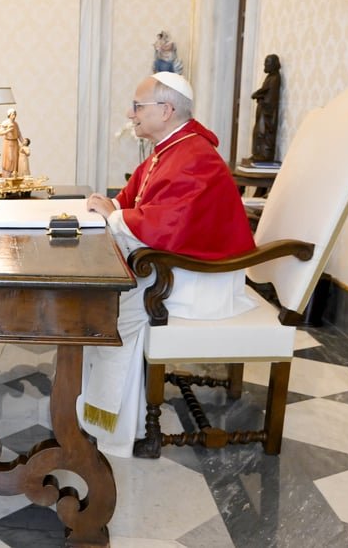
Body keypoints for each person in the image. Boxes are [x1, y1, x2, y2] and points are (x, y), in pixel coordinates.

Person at [80, 72, 257, 457]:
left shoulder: (193, 157)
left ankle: (112, 429)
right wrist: (111, 209)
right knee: (99, 298)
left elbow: (165, 226)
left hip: (199, 281)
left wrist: (114, 214)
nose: (131, 113)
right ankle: (95, 413)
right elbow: (134, 202)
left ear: (166, 109)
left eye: (138, 106)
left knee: (111, 310)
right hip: (179, 266)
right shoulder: (169, 148)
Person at [245, 54, 281, 164]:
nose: (265, 65)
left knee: (263, 134)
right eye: (265, 62)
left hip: (267, 113)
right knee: (258, 133)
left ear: (274, 64)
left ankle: (264, 155)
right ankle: (257, 154)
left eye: (268, 63)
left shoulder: (275, 78)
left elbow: (269, 95)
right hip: (263, 111)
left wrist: (258, 95)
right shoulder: (269, 77)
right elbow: (264, 90)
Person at [0, 108, 24, 177]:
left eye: (15, 114)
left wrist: (23, 142)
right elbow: (0, 133)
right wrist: (8, 130)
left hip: (15, 142)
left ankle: (14, 174)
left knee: (15, 158)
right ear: (9, 115)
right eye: (13, 114)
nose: (14, 116)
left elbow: (19, 134)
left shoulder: (15, 124)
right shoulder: (5, 122)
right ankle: (7, 175)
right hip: (8, 143)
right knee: (10, 158)